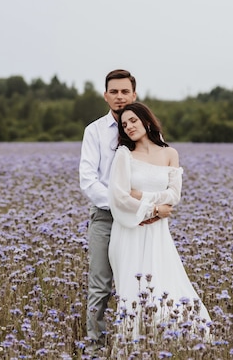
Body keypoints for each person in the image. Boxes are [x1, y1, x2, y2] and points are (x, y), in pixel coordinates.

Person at [107, 102, 212, 342]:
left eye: (133, 120)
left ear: (146, 120)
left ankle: (169, 343)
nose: (129, 127)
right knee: (133, 292)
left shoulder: (169, 153)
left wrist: (140, 196)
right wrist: (153, 207)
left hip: (158, 232)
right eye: (124, 125)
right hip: (130, 232)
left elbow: (174, 196)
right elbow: (119, 197)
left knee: (165, 285)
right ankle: (132, 348)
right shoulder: (124, 154)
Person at [80, 69, 149, 349]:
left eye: (125, 92)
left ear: (134, 95)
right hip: (106, 218)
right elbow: (88, 179)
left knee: (139, 282)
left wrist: (142, 206)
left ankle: (135, 342)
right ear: (105, 95)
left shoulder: (145, 131)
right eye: (114, 92)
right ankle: (95, 345)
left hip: (140, 218)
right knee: (100, 284)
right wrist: (120, 204)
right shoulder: (94, 131)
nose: (119, 97)